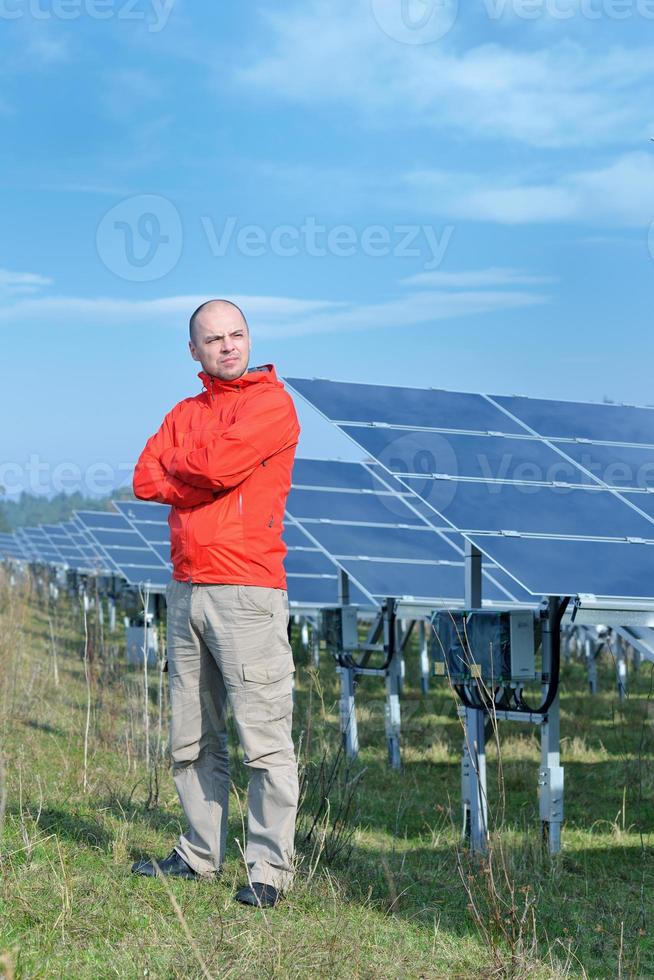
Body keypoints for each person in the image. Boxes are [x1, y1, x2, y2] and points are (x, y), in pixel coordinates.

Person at [130, 299, 300, 909]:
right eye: (213, 339)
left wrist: (191, 466)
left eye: (236, 335)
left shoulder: (271, 404)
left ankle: (267, 870)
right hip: (186, 588)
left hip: (247, 590)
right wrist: (193, 468)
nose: (227, 346)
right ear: (194, 351)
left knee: (263, 736)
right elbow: (145, 476)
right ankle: (199, 852)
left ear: (249, 339)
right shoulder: (185, 411)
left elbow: (223, 466)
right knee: (192, 734)